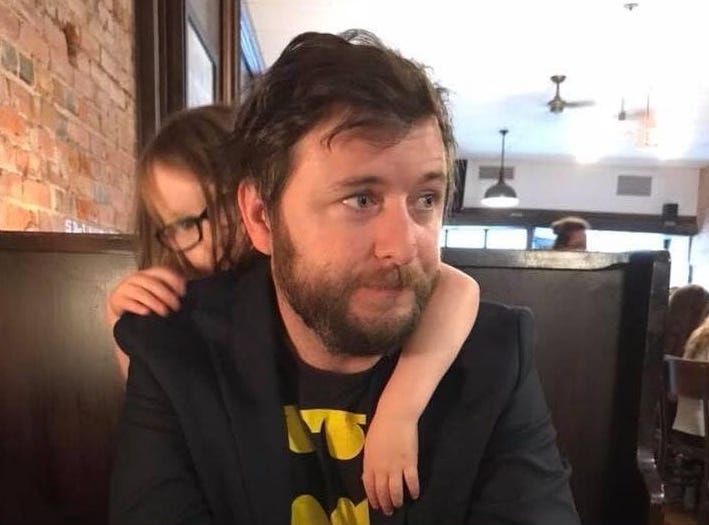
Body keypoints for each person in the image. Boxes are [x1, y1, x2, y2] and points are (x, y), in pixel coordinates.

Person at [110, 30, 579, 524]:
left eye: (425, 199)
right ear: (261, 218)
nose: (403, 247)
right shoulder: (175, 350)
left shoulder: (492, 357)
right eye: (361, 199)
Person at [107, 103, 481, 516]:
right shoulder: (183, 314)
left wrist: (399, 411)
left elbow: (459, 289)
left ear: (258, 199)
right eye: (184, 225)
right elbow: (161, 418)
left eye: (220, 207)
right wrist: (125, 324)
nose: (213, 237)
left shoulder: (318, 274)